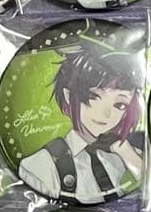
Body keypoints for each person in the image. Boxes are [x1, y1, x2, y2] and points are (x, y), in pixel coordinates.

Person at [18, 38, 143, 203]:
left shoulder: (129, 155)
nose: (106, 114)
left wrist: (127, 154)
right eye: (93, 96)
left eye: (120, 105)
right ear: (68, 96)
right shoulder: (40, 165)